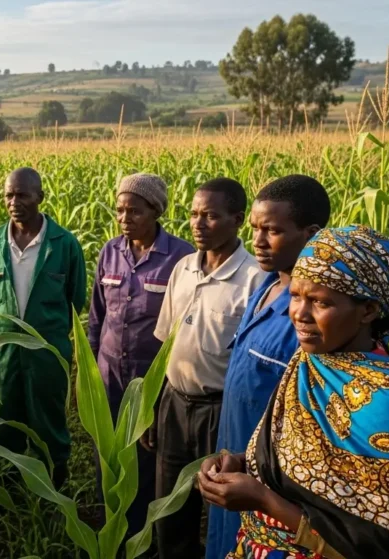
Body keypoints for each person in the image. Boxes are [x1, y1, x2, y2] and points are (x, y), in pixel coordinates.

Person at [198, 225, 389, 559]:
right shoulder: (309, 362)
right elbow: (303, 465)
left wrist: (263, 500)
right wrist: (244, 463)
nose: (299, 314)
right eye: (296, 296)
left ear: (368, 311)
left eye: (320, 302)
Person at [205, 175, 332, 559]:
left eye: (273, 230)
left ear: (312, 234)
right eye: (256, 228)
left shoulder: (315, 323)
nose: (258, 240)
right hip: (236, 467)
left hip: (276, 501)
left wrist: (259, 483)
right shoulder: (266, 286)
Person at [152, 178, 266, 558]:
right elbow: (164, 343)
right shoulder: (183, 268)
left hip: (221, 411)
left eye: (211, 216)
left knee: (222, 510)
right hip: (174, 402)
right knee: (169, 505)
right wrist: (153, 405)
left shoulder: (255, 281)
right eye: (194, 214)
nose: (198, 223)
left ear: (237, 220)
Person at [87, 173, 193, 537]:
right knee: (108, 458)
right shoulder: (109, 252)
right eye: (119, 210)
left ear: (155, 211)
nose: (124, 218)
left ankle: (139, 537)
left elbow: (184, 330)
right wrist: (86, 374)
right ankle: (112, 527)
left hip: (153, 381)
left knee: (146, 461)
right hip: (108, 375)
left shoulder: (181, 258)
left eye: (134, 211)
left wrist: (165, 389)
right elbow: (97, 316)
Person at [0, 167, 86, 489]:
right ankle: (7, 486)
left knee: (49, 418)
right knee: (3, 418)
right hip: (2, 351)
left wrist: (50, 332)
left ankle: (53, 484)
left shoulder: (64, 244)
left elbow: (76, 298)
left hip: (47, 348)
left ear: (40, 197)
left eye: (22, 194)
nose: (15, 202)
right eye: (9, 195)